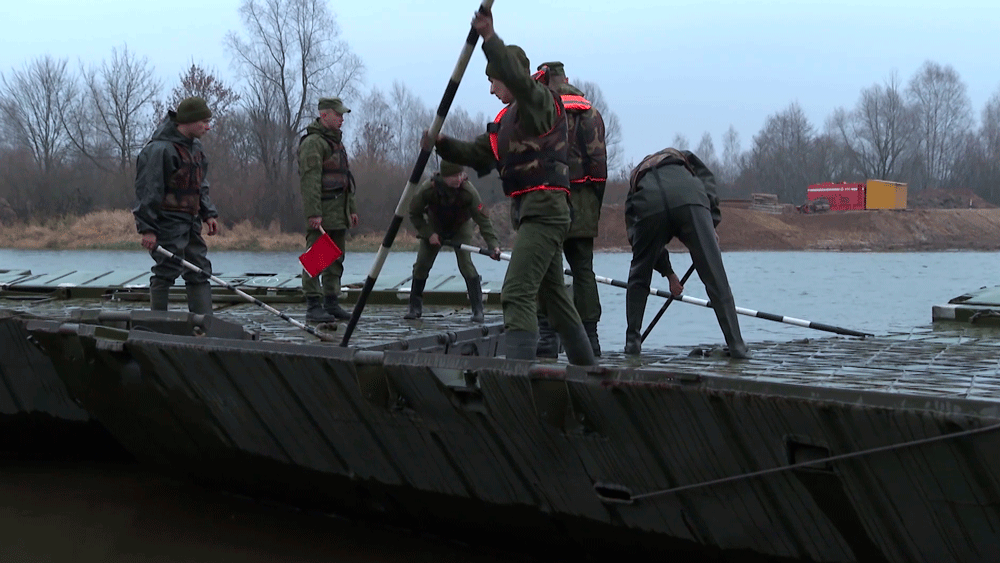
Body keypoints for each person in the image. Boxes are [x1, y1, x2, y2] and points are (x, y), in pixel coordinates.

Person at [425, 8, 595, 365]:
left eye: (494, 81)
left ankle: (517, 376)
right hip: (533, 214)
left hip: (546, 212)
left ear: (508, 75)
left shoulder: (539, 102)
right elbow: (479, 154)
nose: (491, 89)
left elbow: (520, 80)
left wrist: (489, 38)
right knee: (556, 300)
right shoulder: (508, 123)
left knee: (516, 292)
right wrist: (440, 144)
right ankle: (588, 368)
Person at [624, 147, 750, 359]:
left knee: (638, 275)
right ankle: (737, 345)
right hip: (689, 198)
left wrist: (668, 273)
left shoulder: (636, 180)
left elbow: (638, 242)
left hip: (650, 205)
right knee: (715, 276)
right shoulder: (683, 156)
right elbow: (707, 181)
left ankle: (632, 344)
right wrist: (711, 224)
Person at [532, 62, 607, 358]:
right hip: (584, 198)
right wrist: (594, 202)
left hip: (550, 196)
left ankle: (547, 339)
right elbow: (599, 163)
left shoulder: (539, 109)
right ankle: (591, 339)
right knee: (584, 271)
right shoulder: (590, 112)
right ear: (567, 79)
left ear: (544, 80)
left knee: (546, 270)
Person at [133, 96, 219, 315]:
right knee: (167, 268)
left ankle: (203, 323)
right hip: (167, 222)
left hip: (191, 221)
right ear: (188, 121)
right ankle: (158, 321)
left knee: (200, 269)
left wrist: (208, 213)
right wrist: (148, 228)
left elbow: (201, 185)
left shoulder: (196, 149)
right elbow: (148, 190)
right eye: (203, 121)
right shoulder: (160, 150)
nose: (208, 127)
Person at [404, 159, 501, 322]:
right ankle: (414, 307)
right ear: (444, 176)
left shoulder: (469, 191)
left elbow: (483, 219)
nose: (458, 179)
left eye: (460, 174)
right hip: (435, 228)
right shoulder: (428, 189)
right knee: (421, 265)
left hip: (460, 228)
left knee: (466, 265)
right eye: (453, 176)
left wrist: (494, 246)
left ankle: (478, 310)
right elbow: (414, 214)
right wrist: (429, 234)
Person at [298, 97, 359, 322]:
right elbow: (310, 180)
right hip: (323, 212)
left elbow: (346, 179)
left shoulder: (337, 143)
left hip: (339, 212)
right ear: (325, 115)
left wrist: (351, 209)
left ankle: (331, 301)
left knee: (335, 258)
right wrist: (313, 212)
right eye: (338, 114)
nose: (342, 119)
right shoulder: (314, 143)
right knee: (316, 258)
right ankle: (313, 305)